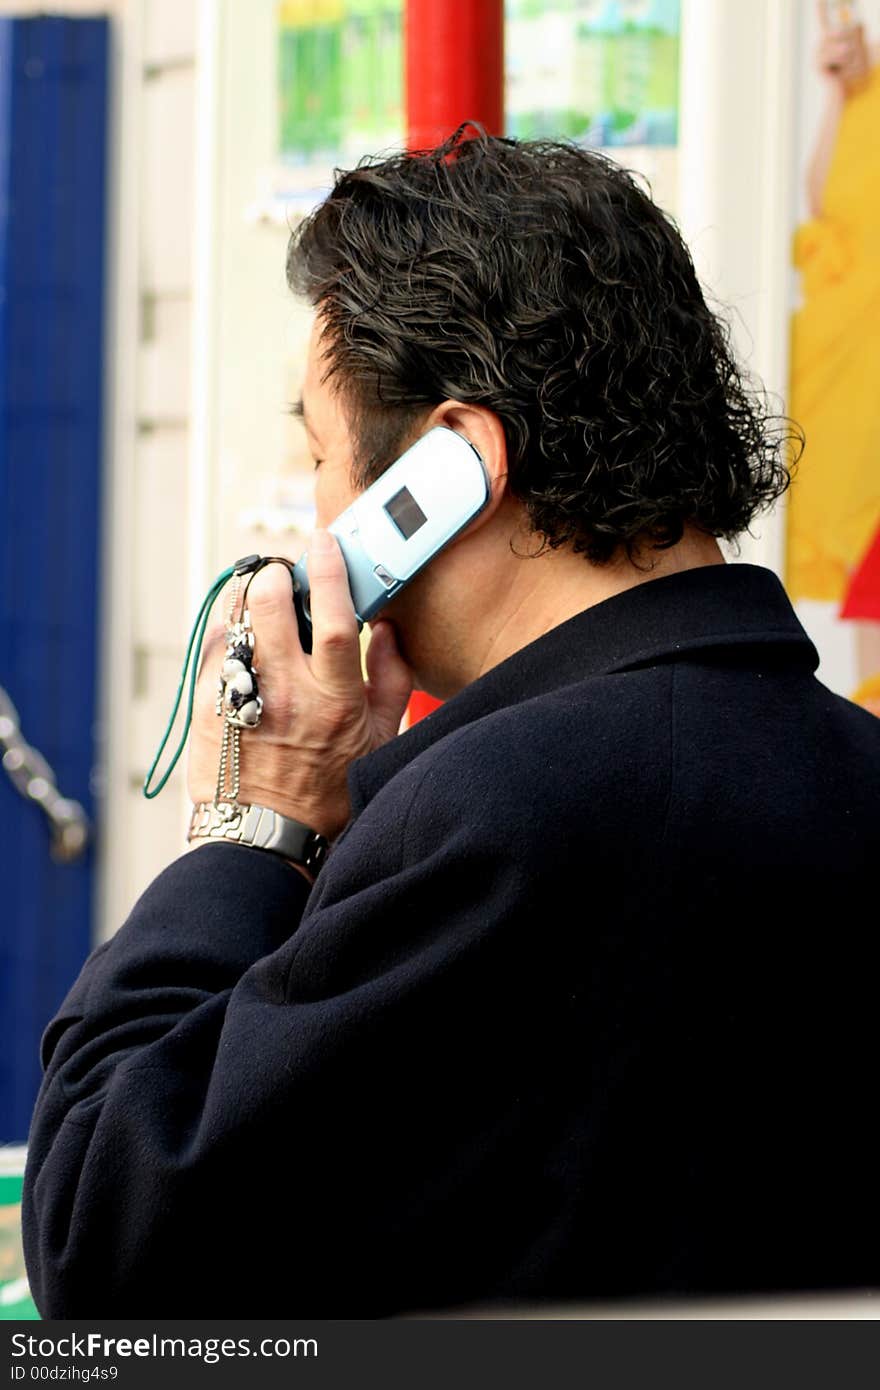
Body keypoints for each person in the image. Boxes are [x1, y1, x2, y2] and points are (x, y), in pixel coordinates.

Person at [22, 127, 880, 1317]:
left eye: (318, 457)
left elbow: (106, 1240)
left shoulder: (499, 819)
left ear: (448, 474)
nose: (311, 517)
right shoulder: (851, 769)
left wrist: (253, 820)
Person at [786, 1, 880, 712]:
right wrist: (843, 94)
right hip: (852, 368)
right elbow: (825, 204)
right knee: (864, 556)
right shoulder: (863, 95)